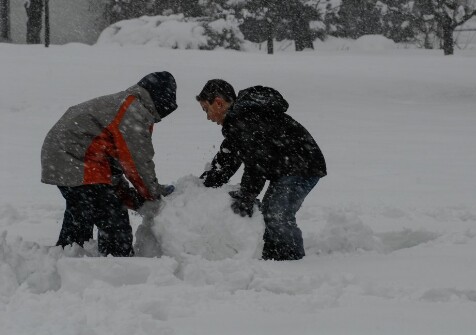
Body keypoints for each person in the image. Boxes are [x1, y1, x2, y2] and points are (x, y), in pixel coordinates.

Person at [41, 72, 177, 256]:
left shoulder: (125, 104)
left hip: (63, 155)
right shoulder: (133, 111)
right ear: (160, 99)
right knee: (113, 218)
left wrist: (131, 197)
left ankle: (69, 255)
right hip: (74, 157)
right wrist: (153, 193)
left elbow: (112, 170)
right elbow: (136, 162)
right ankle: (117, 263)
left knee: (83, 209)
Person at [196, 79, 327, 261]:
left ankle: (292, 260)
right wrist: (203, 185)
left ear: (218, 102)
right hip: (289, 166)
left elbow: (258, 162)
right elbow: (228, 159)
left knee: (276, 212)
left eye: (206, 109)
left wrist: (247, 195)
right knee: (271, 210)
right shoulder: (238, 121)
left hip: (302, 165)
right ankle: (274, 254)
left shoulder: (246, 118)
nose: (208, 117)